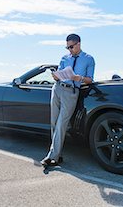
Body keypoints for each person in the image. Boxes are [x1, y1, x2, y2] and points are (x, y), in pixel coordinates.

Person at [41, 33, 95, 167]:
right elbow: (59, 73)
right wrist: (56, 76)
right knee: (53, 122)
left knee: (61, 123)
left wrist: (79, 78)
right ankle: (57, 156)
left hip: (71, 92)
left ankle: (51, 156)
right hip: (57, 89)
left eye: (71, 47)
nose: (69, 50)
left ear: (78, 44)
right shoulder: (64, 58)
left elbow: (90, 79)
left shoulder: (89, 59)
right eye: (67, 48)